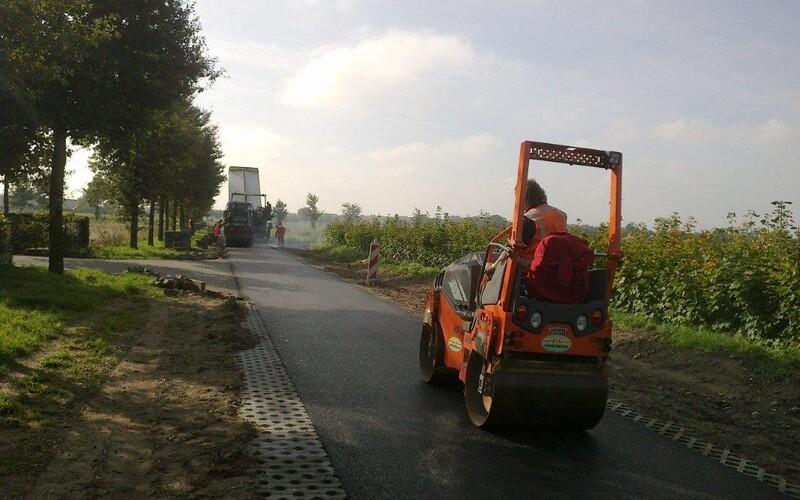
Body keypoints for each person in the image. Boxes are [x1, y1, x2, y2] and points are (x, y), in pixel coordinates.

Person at [486, 179, 567, 275]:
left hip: (531, 274)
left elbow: (511, 250)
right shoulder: (561, 214)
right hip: (560, 270)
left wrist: (492, 267)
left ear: (525, 197)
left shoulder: (528, 219)